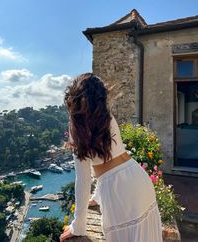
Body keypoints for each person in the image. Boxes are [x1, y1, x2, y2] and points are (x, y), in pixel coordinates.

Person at [60, 73, 163, 242]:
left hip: (119, 192)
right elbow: (109, 162)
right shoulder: (107, 117)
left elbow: (84, 179)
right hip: (138, 178)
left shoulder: (76, 124)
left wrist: (78, 226)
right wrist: (96, 197)